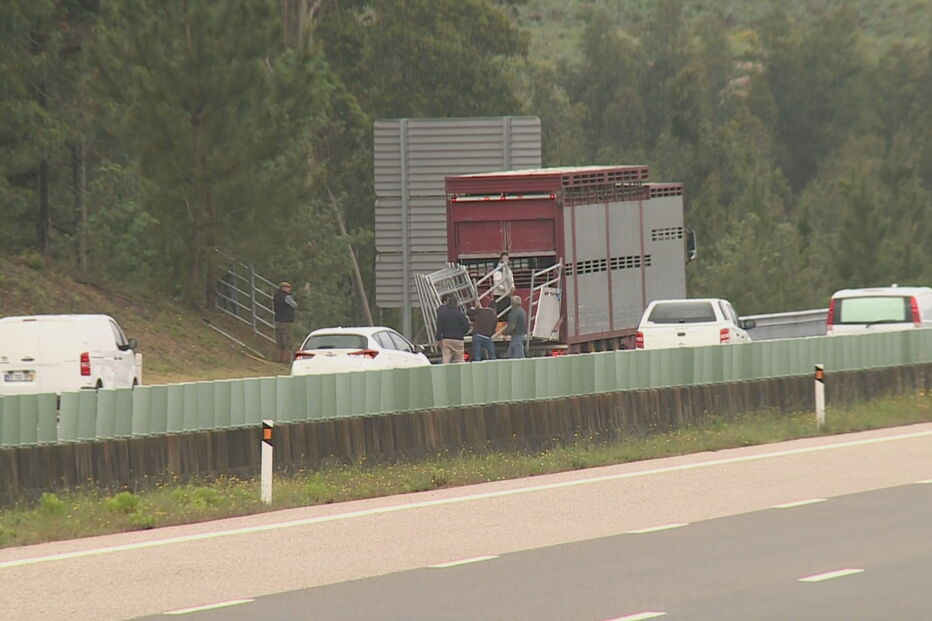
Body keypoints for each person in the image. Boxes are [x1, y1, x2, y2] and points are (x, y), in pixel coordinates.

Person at [435, 294, 470, 363]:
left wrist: (438, 338)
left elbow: (439, 326)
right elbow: (467, 327)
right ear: (456, 304)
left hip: (446, 338)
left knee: (446, 358)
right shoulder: (461, 314)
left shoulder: (443, 314)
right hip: (458, 339)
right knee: (460, 359)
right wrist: (461, 332)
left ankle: (444, 369)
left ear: (448, 303)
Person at [273, 281, 298, 364]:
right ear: (284, 288)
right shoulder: (287, 297)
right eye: (288, 288)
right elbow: (295, 305)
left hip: (278, 320)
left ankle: (278, 358)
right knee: (287, 342)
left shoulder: (276, 296)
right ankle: (285, 360)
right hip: (286, 321)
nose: (289, 289)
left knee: (279, 341)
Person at [467, 298, 497, 362]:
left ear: (488, 306)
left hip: (477, 336)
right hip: (487, 337)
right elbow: (493, 330)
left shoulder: (481, 310)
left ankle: (477, 366)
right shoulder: (495, 317)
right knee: (492, 356)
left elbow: (469, 312)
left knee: (477, 357)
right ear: (495, 309)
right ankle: (493, 365)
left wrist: (474, 308)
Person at [491, 251, 515, 321]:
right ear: (501, 259)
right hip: (499, 294)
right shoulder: (498, 270)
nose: (506, 261)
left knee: (508, 313)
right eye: (504, 259)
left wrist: (512, 286)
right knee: (501, 314)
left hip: (507, 295)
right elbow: (497, 283)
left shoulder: (508, 270)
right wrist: (507, 289)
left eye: (507, 259)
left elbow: (511, 279)